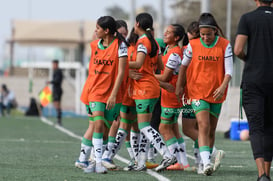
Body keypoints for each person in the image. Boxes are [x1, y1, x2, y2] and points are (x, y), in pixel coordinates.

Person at [175, 13, 233, 176]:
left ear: (215, 31)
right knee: (203, 125)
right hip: (197, 91)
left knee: (211, 130)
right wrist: (180, 86)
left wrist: (223, 86)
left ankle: (205, 161)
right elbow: (183, 67)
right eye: (202, 35)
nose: (205, 37)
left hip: (216, 93)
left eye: (208, 34)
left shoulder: (225, 45)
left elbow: (229, 70)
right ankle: (207, 162)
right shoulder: (192, 45)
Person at [75, 16, 128, 174]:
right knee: (97, 124)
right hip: (95, 92)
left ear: (106, 31)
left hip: (113, 95)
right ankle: (97, 162)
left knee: (104, 130)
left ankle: (87, 160)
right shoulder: (94, 46)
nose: (95, 31)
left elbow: (121, 72)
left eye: (98, 28)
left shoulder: (121, 47)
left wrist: (113, 95)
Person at [129, 12, 176, 172]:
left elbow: (138, 63)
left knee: (143, 127)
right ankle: (141, 162)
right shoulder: (153, 42)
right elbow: (161, 66)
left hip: (144, 88)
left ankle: (167, 154)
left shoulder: (143, 42)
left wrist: (119, 63)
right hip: (151, 87)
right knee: (145, 127)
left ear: (137, 24)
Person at [234, 0, 273, 180]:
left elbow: (238, 49)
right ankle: (267, 172)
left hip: (254, 79)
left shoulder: (247, 18)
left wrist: (250, 59)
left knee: (256, 128)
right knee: (270, 128)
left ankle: (262, 174)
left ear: (257, 0)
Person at [155, 23, 190, 171]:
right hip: (168, 94)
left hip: (171, 94)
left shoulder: (175, 53)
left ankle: (175, 159)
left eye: (169, 33)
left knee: (163, 127)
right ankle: (183, 163)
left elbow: (165, 76)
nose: (165, 34)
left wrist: (146, 76)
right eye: (166, 31)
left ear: (176, 38)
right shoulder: (168, 50)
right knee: (174, 128)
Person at [47, 60, 63, 126]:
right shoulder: (56, 71)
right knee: (55, 105)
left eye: (54, 64)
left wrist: (50, 82)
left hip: (57, 90)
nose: (53, 66)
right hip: (55, 90)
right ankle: (58, 120)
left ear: (56, 64)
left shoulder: (58, 71)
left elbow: (57, 80)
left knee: (57, 105)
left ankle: (59, 120)